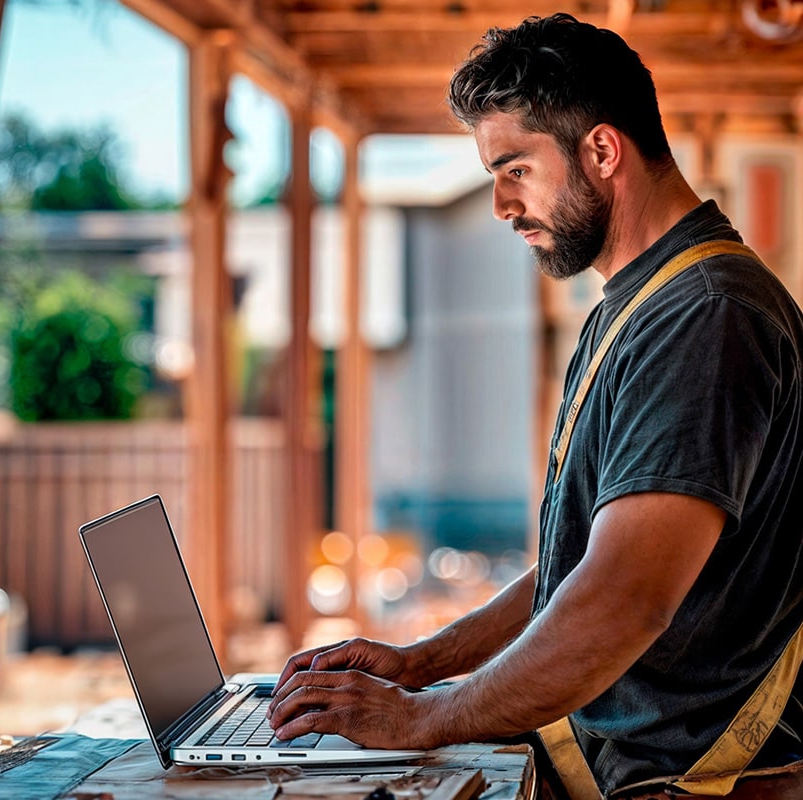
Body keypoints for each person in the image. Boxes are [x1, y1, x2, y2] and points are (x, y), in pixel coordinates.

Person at [265, 13, 803, 797]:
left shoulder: (708, 315)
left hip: (680, 786)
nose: (500, 205)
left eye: (515, 168)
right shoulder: (642, 304)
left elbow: (621, 601)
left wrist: (420, 718)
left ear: (603, 150)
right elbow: (578, 571)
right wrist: (422, 665)